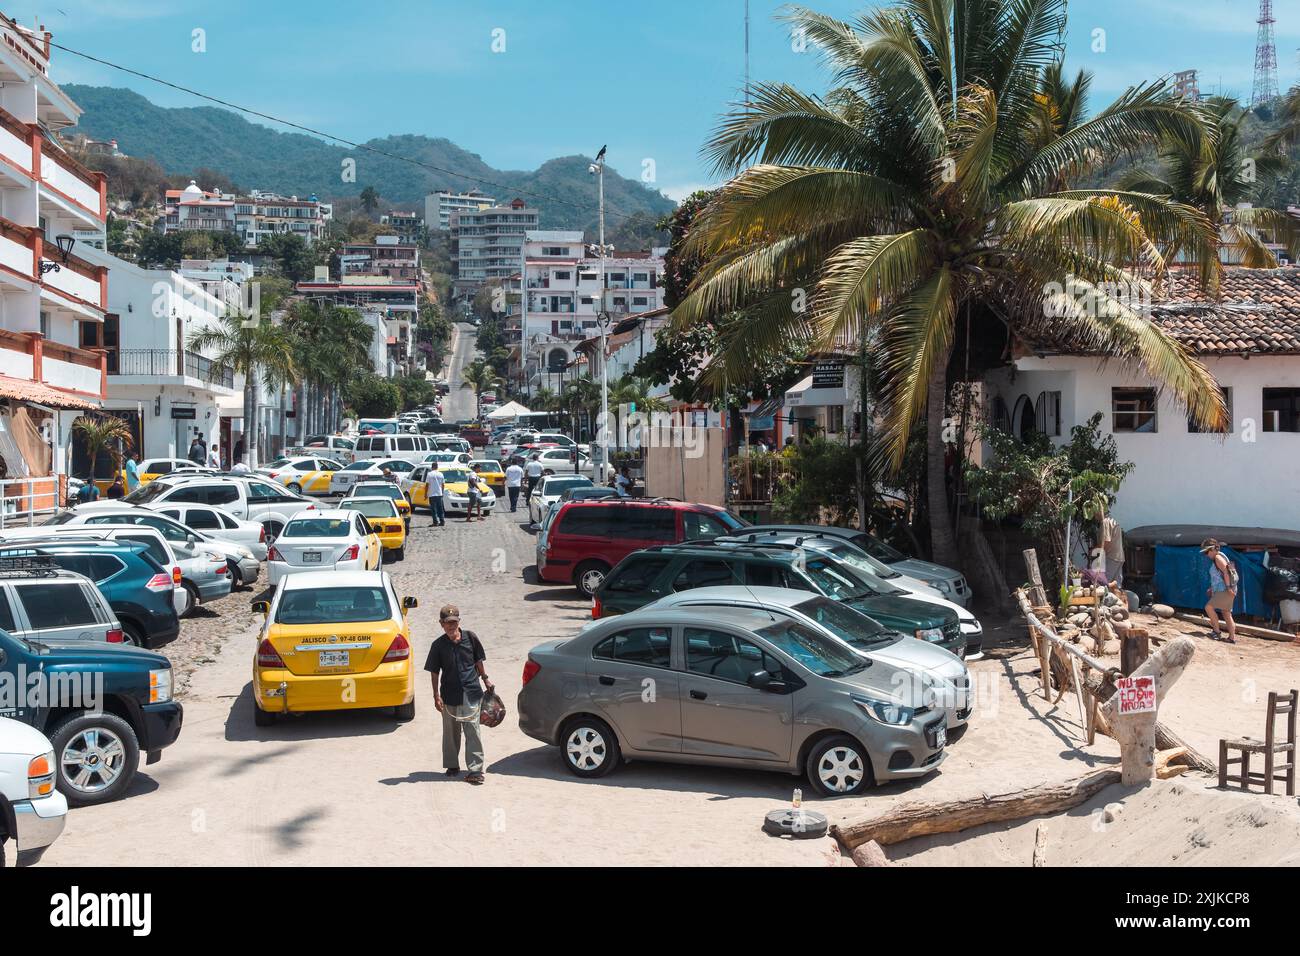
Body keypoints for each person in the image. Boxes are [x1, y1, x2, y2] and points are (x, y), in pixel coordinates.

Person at [425, 604, 493, 785]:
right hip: (449, 693)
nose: (451, 626)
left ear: (459, 622)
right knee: (450, 732)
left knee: (472, 730)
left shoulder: (470, 638)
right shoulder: (438, 645)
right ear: (441, 623)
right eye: (448, 623)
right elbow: (434, 672)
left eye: (454, 622)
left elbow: (478, 660)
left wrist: (485, 679)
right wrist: (435, 696)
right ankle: (452, 765)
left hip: (471, 691)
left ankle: (476, 769)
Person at [1201, 538, 1239, 644]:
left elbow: (1226, 572)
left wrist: (1228, 588)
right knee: (1226, 613)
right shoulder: (1219, 556)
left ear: (1213, 549)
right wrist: (1213, 588)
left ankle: (1216, 632)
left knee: (1208, 607)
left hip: (1225, 589)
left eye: (1207, 552)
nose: (1206, 554)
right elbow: (1220, 575)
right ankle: (1231, 638)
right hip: (1226, 588)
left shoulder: (1218, 557)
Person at [1100, 507, 1125, 587]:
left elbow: (1106, 541)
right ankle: (1119, 599)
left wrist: (1096, 551)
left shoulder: (1106, 522)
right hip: (1118, 557)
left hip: (1111, 557)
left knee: (1104, 583)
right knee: (1116, 586)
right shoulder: (1111, 520)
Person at [426, 462, 446, 527]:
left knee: (433, 509)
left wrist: (426, 493)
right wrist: (442, 492)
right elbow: (443, 484)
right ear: (437, 467)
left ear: (432, 467)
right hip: (439, 493)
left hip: (432, 494)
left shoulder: (429, 474)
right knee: (440, 508)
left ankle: (435, 522)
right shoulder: (441, 474)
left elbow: (427, 484)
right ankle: (442, 521)